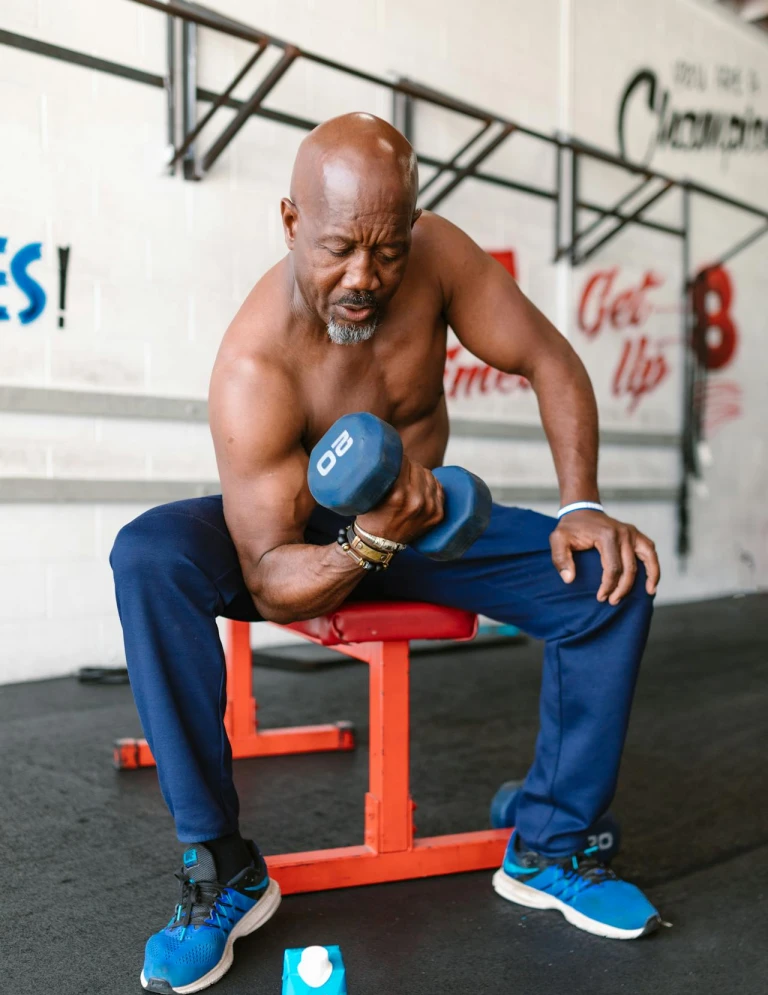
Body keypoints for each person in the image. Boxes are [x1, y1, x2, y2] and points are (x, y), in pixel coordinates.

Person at [111, 112, 663, 995]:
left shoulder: (438, 257)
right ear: (291, 221)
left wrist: (583, 504)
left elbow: (549, 359)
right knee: (148, 554)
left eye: (387, 250)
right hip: (298, 542)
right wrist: (368, 539)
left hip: (421, 517)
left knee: (610, 576)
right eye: (338, 249)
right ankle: (222, 868)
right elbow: (270, 581)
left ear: (412, 226)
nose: (364, 278)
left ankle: (553, 844)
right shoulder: (255, 363)